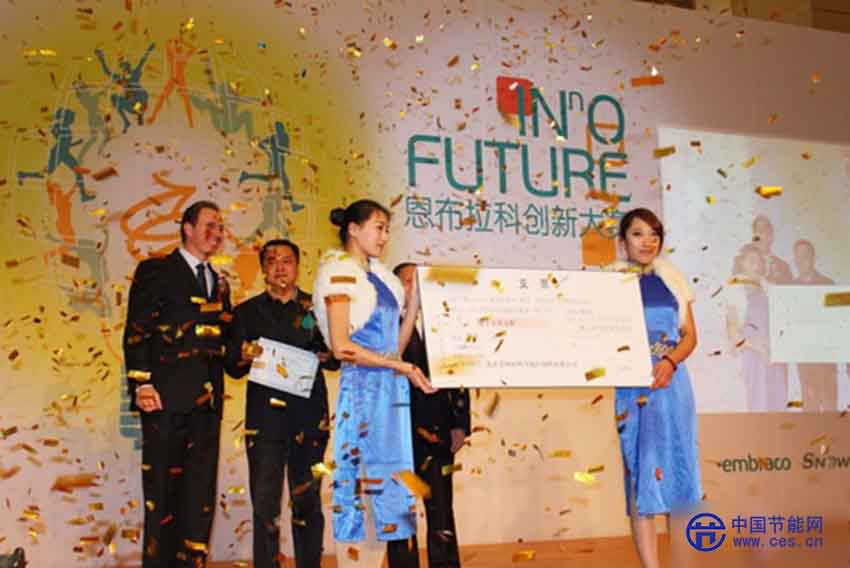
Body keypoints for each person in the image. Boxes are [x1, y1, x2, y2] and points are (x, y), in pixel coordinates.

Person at [312, 199, 435, 568]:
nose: (384, 237)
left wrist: (414, 303)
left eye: (387, 230)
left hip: (391, 392)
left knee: (390, 486)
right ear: (353, 229)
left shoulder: (382, 279)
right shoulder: (338, 274)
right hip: (363, 391)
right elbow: (342, 347)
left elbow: (394, 347)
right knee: (359, 486)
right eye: (378, 227)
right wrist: (401, 367)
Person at [123, 200, 230, 567]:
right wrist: (142, 384)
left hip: (207, 407)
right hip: (164, 401)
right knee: (163, 495)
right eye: (209, 225)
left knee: (200, 497)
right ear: (187, 228)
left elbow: (223, 341)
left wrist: (250, 355)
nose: (217, 233)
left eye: (220, 227)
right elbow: (137, 330)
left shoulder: (220, 282)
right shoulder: (156, 271)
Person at [225, 239, 337, 568]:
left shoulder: (316, 308)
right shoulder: (246, 312)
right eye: (272, 261)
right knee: (265, 505)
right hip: (265, 422)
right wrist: (243, 355)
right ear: (263, 268)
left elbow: (335, 359)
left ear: (298, 267)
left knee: (308, 502)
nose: (280, 267)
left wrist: (327, 354)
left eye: (287, 261)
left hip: (309, 419)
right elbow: (232, 366)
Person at [608, 208, 702, 568]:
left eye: (654, 235)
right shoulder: (609, 284)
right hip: (633, 392)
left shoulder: (673, 281)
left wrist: (670, 362)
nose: (647, 242)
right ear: (623, 241)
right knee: (640, 478)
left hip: (672, 387)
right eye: (637, 234)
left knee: (679, 479)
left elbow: (690, 336)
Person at [394, 262, 470, 568]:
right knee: (401, 510)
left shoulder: (445, 323)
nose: (415, 286)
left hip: (438, 432)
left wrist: (460, 424)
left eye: (419, 280)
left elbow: (460, 374)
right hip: (398, 432)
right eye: (408, 281)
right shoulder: (386, 325)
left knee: (441, 510)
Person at [726, 243, 787, 411]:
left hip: (772, 354)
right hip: (749, 355)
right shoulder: (734, 289)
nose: (756, 264)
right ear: (742, 263)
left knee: (776, 403)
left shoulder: (769, 288)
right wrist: (758, 347)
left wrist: (771, 347)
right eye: (751, 260)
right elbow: (732, 331)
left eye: (759, 261)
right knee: (755, 404)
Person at [792, 239, 837, 412]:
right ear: (795, 259)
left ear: (813, 257)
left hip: (826, 359)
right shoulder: (790, 288)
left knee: (829, 406)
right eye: (798, 255)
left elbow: (836, 322)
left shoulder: (828, 285)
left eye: (806, 255)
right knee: (810, 408)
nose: (802, 259)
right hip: (804, 360)